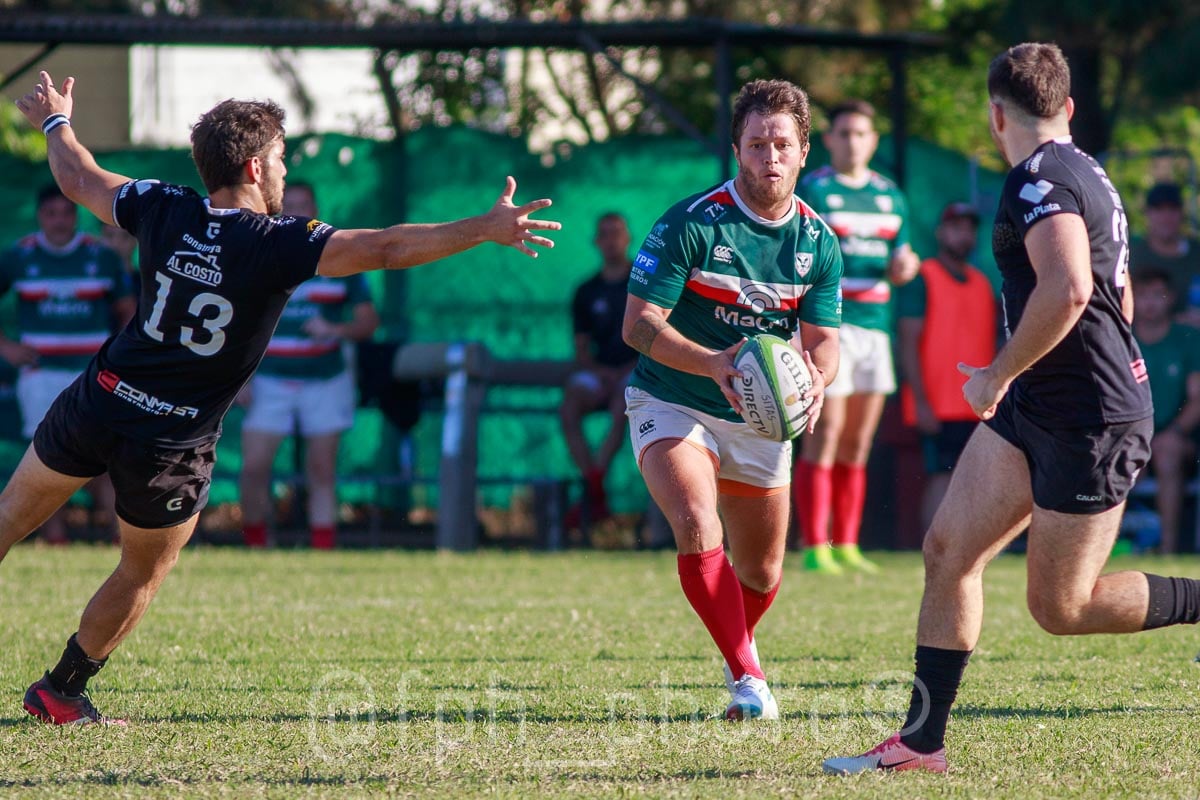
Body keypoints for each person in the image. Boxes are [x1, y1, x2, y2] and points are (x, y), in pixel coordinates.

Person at [5, 70, 559, 725]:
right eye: (282, 158)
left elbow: (78, 177)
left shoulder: (162, 204)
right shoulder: (279, 243)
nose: (284, 170)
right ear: (255, 164)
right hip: (173, 441)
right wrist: (482, 227)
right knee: (140, 570)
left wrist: (56, 121)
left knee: (10, 518)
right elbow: (386, 247)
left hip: (100, 398)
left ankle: (61, 692)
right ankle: (61, 691)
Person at [824, 42, 1200, 776]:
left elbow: (1068, 290)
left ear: (996, 115)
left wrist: (997, 372)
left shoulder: (1037, 180)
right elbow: (1116, 297)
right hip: (1042, 403)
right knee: (947, 550)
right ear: (1066, 107)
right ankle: (920, 745)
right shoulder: (1091, 172)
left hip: (1091, 420)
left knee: (1062, 608)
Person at [623, 79, 842, 721]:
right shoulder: (690, 222)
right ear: (737, 150)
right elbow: (638, 325)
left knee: (763, 573)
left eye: (781, 144)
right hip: (673, 398)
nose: (768, 158)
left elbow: (825, 341)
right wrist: (715, 363)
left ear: (803, 151)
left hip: (760, 417)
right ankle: (750, 681)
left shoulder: (818, 242)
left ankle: (735, 657)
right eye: (755, 144)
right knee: (696, 522)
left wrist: (816, 380)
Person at [792, 99, 920, 574]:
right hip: (832, 328)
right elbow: (801, 258)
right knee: (825, 434)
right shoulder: (815, 190)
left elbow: (902, 256)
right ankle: (814, 545)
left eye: (860, 133)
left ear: (874, 140)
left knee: (859, 443)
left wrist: (904, 267)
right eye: (843, 133)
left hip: (876, 328)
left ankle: (846, 542)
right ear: (828, 141)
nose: (852, 142)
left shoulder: (890, 195)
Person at [238, 181, 380, 549]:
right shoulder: (261, 251)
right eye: (292, 204)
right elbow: (238, 321)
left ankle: (322, 549)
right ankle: (255, 544)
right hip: (269, 379)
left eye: (306, 204)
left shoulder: (339, 254)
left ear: (316, 207)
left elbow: (368, 322)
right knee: (254, 468)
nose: (299, 211)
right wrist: (241, 378)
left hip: (324, 378)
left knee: (321, 469)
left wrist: (335, 329)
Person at [0, 184, 134, 544]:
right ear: (40, 216)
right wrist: (6, 347)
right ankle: (55, 539)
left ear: (76, 216)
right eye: (52, 213)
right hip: (39, 373)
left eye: (67, 213)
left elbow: (128, 310)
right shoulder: (18, 256)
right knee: (44, 459)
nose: (59, 221)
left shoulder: (101, 256)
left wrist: (119, 356)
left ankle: (120, 540)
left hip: (92, 375)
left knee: (104, 459)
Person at [897, 202, 997, 531]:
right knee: (942, 477)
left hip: (978, 404)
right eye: (956, 227)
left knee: (975, 482)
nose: (964, 235)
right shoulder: (923, 278)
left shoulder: (982, 283)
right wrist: (921, 402)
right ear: (941, 233)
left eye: (969, 229)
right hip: (938, 404)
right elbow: (908, 341)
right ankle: (933, 546)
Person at [560, 212, 639, 528]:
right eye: (604, 234)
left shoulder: (642, 283)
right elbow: (581, 349)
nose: (610, 240)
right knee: (569, 408)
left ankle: (593, 488)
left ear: (628, 238)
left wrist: (623, 371)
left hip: (636, 371)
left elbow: (656, 340)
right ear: (596, 241)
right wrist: (601, 372)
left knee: (624, 404)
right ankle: (594, 485)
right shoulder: (586, 291)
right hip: (600, 373)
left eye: (616, 233)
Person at [1130, 269, 1200, 553]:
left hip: (1175, 434)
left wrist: (1175, 432)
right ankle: (1104, 549)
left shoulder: (1188, 337)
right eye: (1143, 295)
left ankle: (1168, 549)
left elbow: (1197, 397)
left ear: (1170, 298)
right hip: (1130, 432)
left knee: (1167, 454)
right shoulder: (1121, 338)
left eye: (1157, 295)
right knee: (1112, 458)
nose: (1150, 303)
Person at [1129, 182, 1200, 324]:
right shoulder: (1131, 255)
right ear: (1147, 213)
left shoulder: (1196, 253)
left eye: (1172, 209)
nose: (1166, 217)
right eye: (1159, 209)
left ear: (1182, 213)